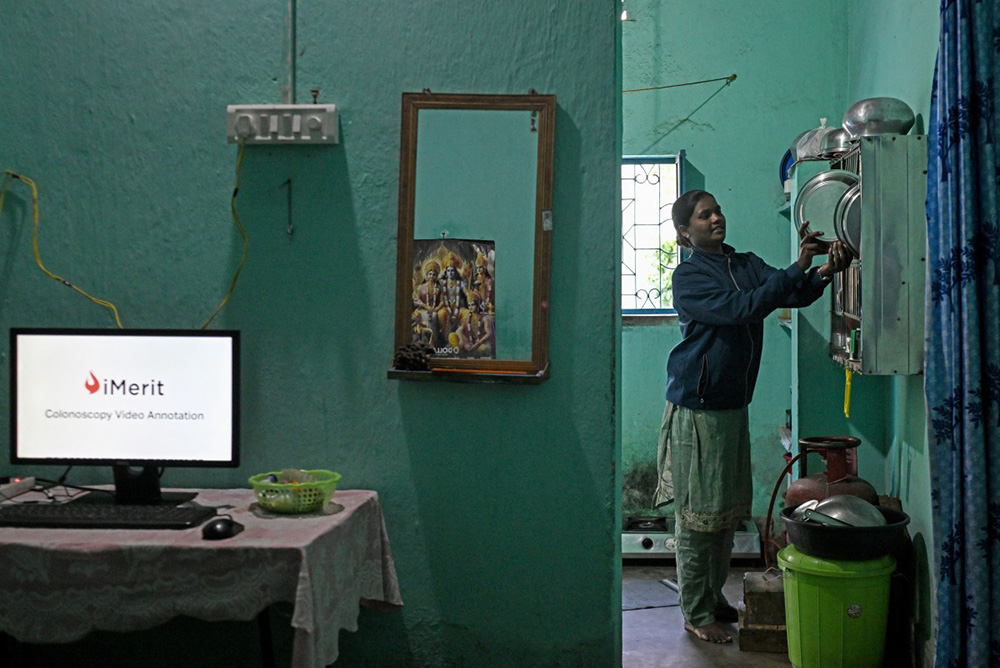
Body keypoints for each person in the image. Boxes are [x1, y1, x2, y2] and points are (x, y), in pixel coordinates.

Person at [653, 189, 852, 644]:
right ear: (685, 232)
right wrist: (799, 266)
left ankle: (713, 597)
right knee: (698, 517)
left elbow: (789, 293)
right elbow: (745, 307)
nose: (716, 219)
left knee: (724, 514)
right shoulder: (688, 277)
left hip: (732, 405)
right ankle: (695, 611)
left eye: (718, 211)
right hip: (698, 407)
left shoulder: (744, 262)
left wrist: (822, 270)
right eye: (704, 216)